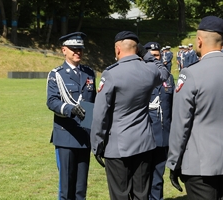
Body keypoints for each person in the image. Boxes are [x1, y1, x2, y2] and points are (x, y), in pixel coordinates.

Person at [90, 31, 169, 200]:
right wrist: (147, 55)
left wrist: (96, 143)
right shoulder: (149, 70)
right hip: (145, 143)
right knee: (141, 194)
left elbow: (100, 114)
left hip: (118, 146)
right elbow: (164, 72)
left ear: (117, 49)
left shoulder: (111, 73)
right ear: (137, 49)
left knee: (120, 195)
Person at [166, 16, 223, 200]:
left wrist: (174, 162)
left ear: (199, 41)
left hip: (201, 165)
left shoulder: (191, 73)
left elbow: (180, 124)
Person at [46, 32, 96, 200]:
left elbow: (93, 101)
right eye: (74, 49)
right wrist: (69, 109)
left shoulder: (89, 73)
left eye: (80, 49)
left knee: (81, 189)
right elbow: (52, 101)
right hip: (66, 135)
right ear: (64, 50)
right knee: (66, 188)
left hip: (84, 136)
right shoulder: (57, 74)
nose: (78, 52)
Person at [144, 42, 175, 200]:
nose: (156, 59)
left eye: (158, 56)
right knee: (142, 178)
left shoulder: (168, 78)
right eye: (152, 56)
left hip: (162, 136)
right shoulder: (139, 76)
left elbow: (174, 107)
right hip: (143, 136)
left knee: (157, 178)